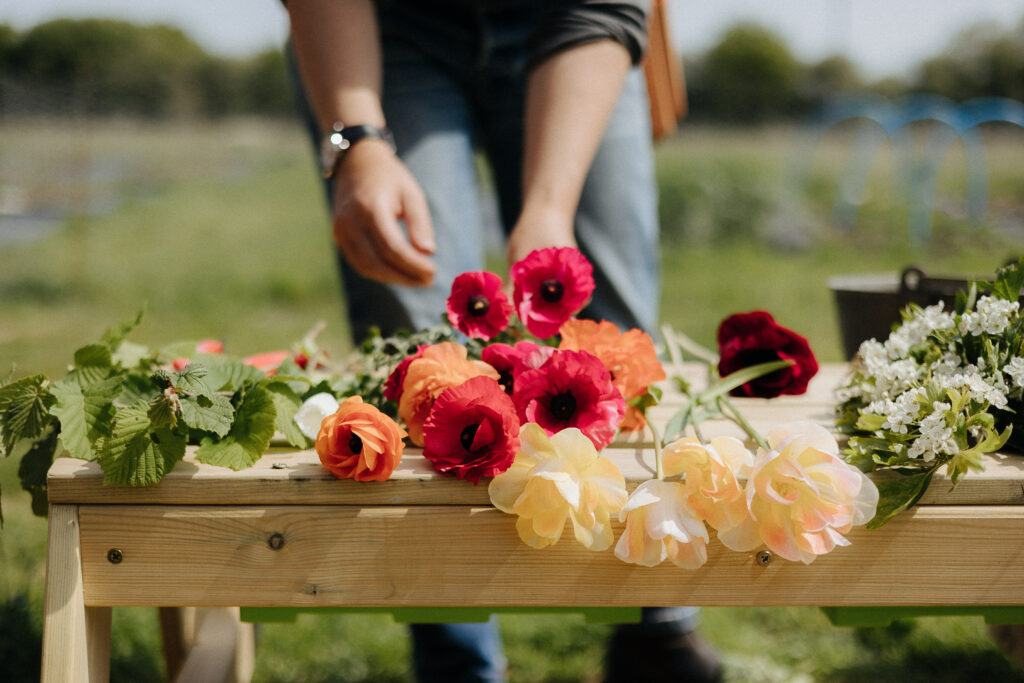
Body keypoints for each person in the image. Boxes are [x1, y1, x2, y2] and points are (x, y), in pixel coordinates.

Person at [284, 1, 722, 681]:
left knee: (612, 336)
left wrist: (549, 205)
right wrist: (359, 142)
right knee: (423, 362)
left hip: (581, 20)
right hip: (388, 27)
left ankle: (654, 625)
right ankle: (457, 657)